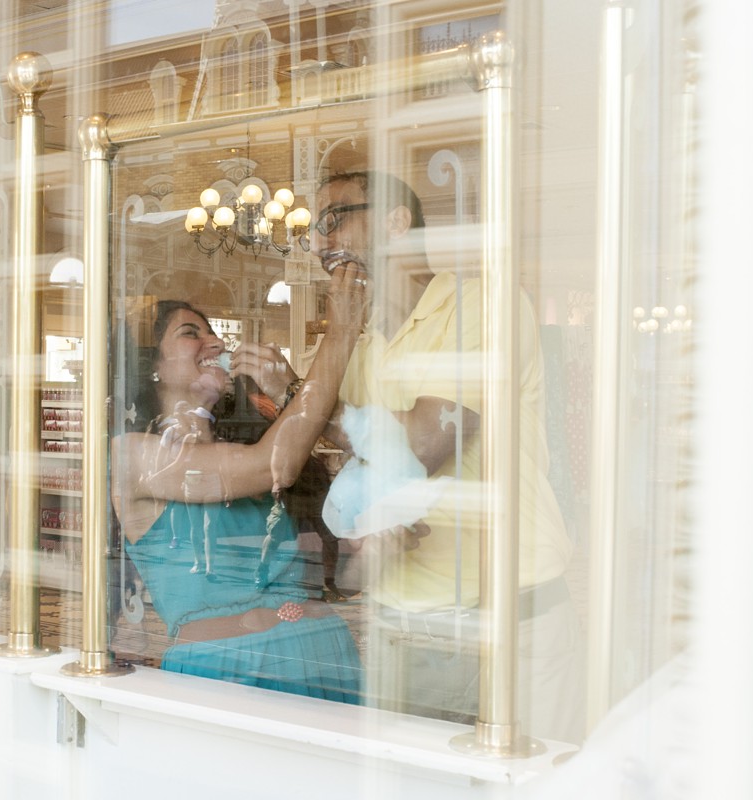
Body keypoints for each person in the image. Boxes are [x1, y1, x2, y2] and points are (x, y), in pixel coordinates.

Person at [235, 169, 582, 742]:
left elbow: (423, 444)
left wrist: (312, 391)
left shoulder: (481, 307)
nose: (321, 240)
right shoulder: (364, 342)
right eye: (315, 227)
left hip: (510, 619)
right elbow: (336, 461)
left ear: (397, 221)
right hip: (405, 621)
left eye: (335, 218)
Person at [110, 262, 368, 704]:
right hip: (227, 673)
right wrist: (340, 333)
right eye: (191, 332)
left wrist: (372, 548)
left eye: (215, 334)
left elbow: (340, 579)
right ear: (152, 365)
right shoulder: (130, 455)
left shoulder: (248, 444)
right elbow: (273, 465)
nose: (215, 342)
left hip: (324, 656)